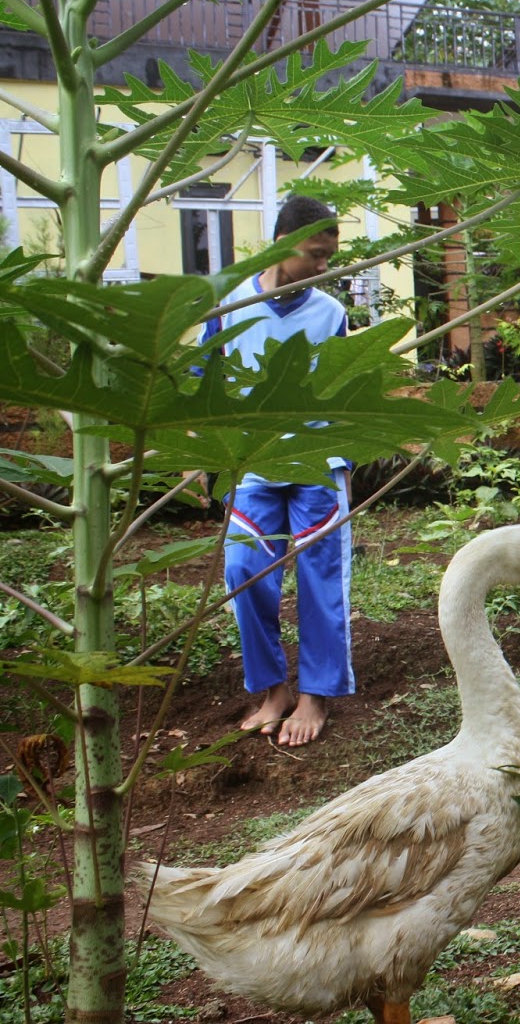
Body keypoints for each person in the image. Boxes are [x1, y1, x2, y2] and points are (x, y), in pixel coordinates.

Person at [200, 195, 352, 747]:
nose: (323, 267)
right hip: (251, 463)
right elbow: (204, 379)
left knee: (319, 578)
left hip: (317, 464)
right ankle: (273, 688)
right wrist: (208, 456)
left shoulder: (331, 314)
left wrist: (347, 461)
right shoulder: (227, 304)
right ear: (283, 243)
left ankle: (315, 695)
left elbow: (341, 393)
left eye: (329, 257)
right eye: (315, 254)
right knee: (243, 570)